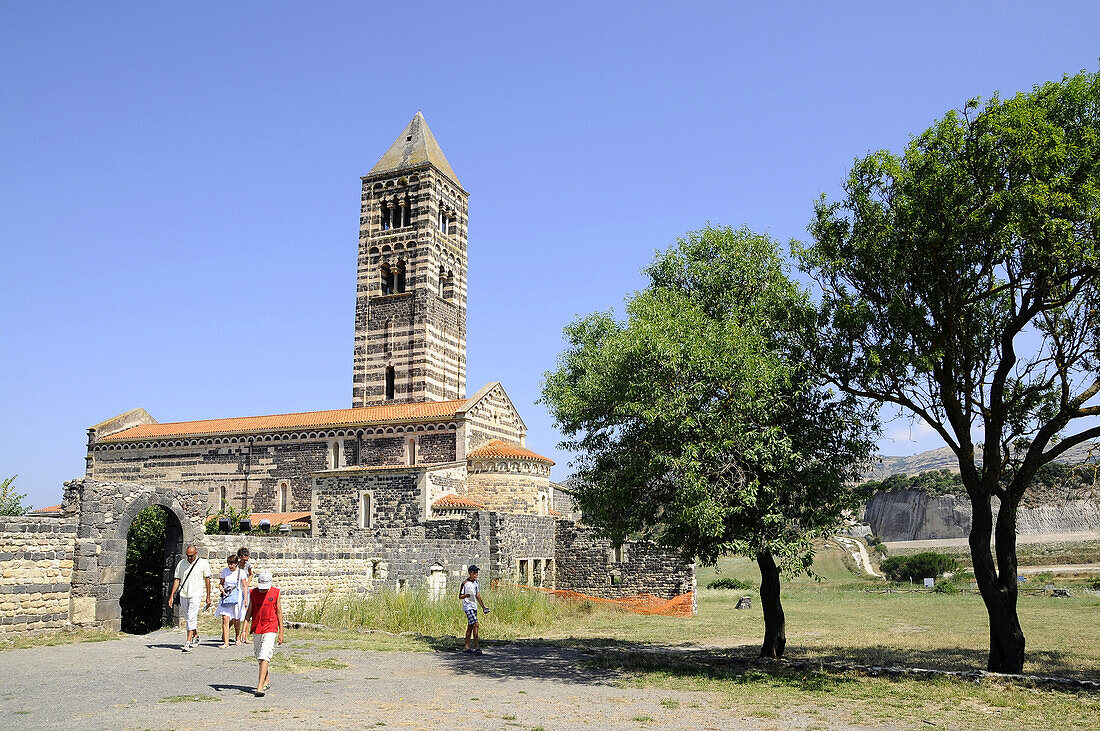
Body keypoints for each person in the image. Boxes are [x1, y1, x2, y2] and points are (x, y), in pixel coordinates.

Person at [244, 571, 283, 697]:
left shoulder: (276, 592)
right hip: (257, 626)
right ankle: (266, 679)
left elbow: (279, 612)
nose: (263, 591)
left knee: (264, 655)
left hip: (271, 626)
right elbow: (249, 612)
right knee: (259, 655)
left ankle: (259, 686)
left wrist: (281, 631)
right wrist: (244, 630)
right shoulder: (253, 593)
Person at [167, 544, 212, 652]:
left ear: (196, 553)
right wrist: (172, 596)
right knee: (188, 618)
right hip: (184, 593)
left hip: (196, 593)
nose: (190, 558)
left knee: (191, 617)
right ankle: (196, 636)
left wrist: (208, 596)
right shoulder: (182, 563)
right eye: (188, 556)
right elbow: (177, 579)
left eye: (191, 555)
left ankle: (187, 642)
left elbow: (207, 580)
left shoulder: (203, 563)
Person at [216, 553, 247, 647]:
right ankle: (226, 642)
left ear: (236, 563)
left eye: (232, 564)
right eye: (229, 563)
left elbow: (245, 586)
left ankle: (237, 637)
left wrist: (245, 598)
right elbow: (221, 583)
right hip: (226, 596)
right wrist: (221, 587)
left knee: (236, 619)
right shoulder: (225, 571)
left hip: (236, 597)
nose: (230, 566)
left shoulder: (241, 572)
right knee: (225, 618)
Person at [459, 565, 490, 654]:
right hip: (467, 607)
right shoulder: (465, 583)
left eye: (477, 572)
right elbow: (460, 596)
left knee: (470, 626)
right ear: (470, 573)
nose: (476, 574)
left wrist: (483, 607)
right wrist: (466, 596)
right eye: (474, 572)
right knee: (476, 624)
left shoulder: (476, 583)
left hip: (474, 606)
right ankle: (477, 647)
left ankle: (466, 647)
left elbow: (478, 596)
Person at [237, 547, 253, 642]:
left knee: (247, 613)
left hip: (245, 590)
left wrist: (248, 583)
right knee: (236, 614)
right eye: (244, 559)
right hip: (237, 590)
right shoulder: (236, 565)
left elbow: (251, 574)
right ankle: (234, 633)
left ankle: (245, 637)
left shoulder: (248, 565)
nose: (245, 561)